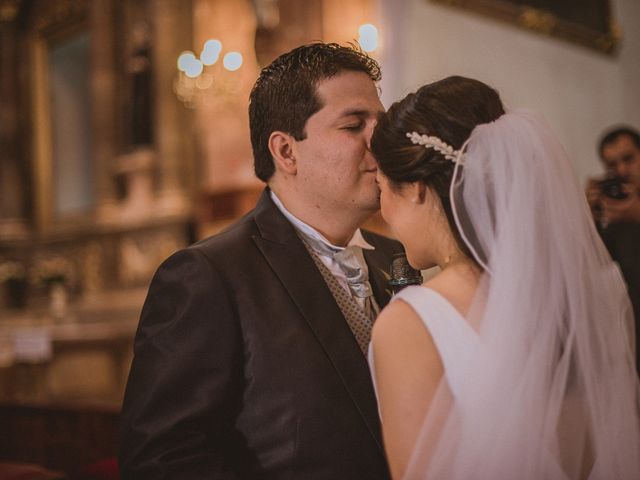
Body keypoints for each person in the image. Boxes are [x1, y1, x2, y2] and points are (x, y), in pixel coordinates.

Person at [119, 43, 402, 479]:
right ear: (286, 152)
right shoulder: (208, 277)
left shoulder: (397, 258)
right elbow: (163, 460)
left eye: (379, 124)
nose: (378, 142)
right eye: (353, 125)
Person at [368, 76, 640, 479]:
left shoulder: (410, 325)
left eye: (381, 188)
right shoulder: (585, 297)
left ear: (415, 189)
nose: (384, 212)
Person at [586, 126, 640, 373]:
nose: (622, 170)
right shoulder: (612, 209)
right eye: (612, 165)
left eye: (628, 159)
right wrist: (590, 217)